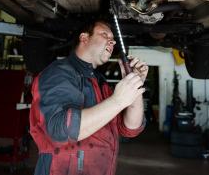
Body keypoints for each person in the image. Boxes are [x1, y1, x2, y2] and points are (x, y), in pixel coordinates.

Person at [29, 20, 149, 175]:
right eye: (104, 34)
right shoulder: (58, 73)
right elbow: (60, 129)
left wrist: (135, 84)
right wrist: (117, 101)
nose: (112, 41)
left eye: (113, 38)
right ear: (84, 38)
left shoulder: (100, 83)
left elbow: (130, 128)